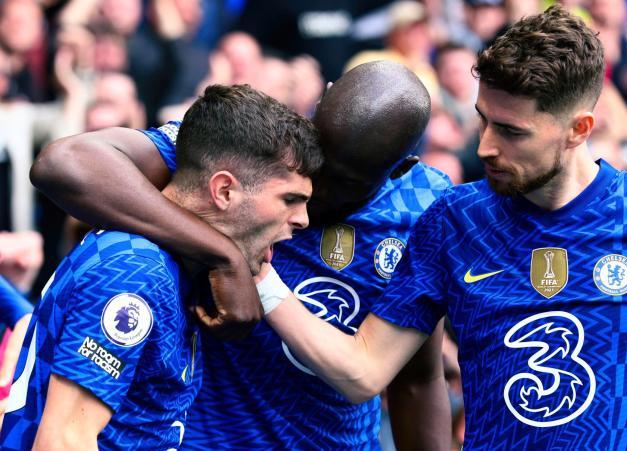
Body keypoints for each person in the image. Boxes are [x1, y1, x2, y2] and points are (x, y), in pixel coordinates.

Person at [256, 5, 627, 449]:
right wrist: (256, 273)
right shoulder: (454, 218)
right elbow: (364, 370)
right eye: (483, 119)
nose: (485, 147)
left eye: (512, 131)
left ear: (579, 129)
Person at [30, 61, 452, 449]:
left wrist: (249, 275)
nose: (317, 192)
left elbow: (418, 377)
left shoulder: (423, 206)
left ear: (401, 167)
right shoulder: (256, 148)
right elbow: (64, 163)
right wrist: (225, 256)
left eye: (344, 182)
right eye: (318, 165)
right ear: (319, 101)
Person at [0, 84, 322, 449]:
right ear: (224, 191)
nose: (303, 219)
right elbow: (63, 440)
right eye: (290, 199)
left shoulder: (171, 267)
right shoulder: (137, 271)